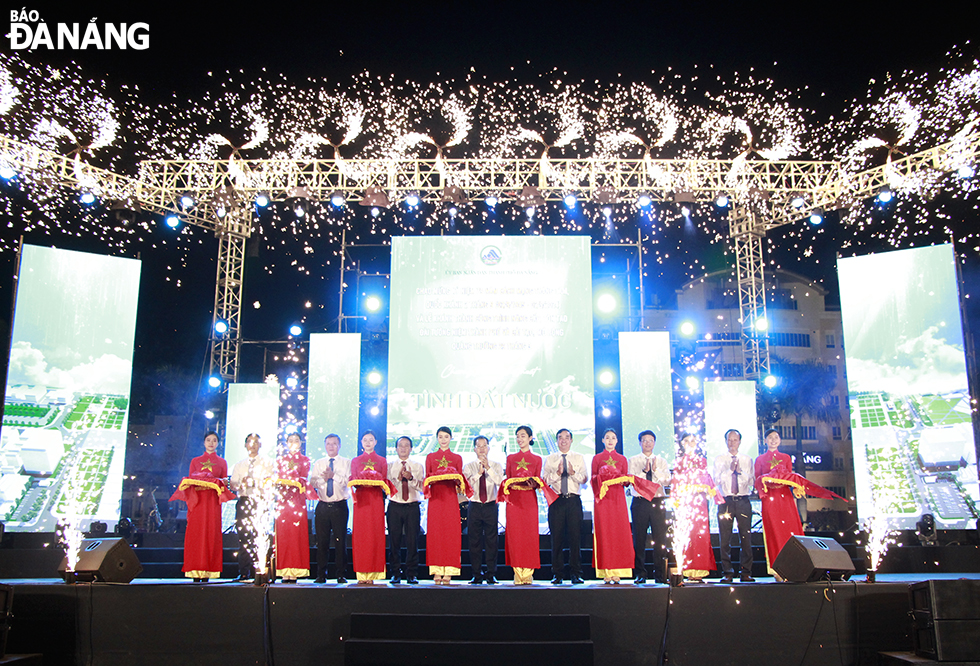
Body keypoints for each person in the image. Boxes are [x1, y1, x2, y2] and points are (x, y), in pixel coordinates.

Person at [754, 428, 843, 580]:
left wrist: (797, 487)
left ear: (780, 440)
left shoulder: (786, 457)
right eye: (770, 437)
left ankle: (795, 566)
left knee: (790, 530)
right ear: (765, 440)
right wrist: (765, 484)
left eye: (776, 437)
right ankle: (777, 569)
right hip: (770, 500)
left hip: (786, 499)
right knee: (773, 532)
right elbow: (756, 480)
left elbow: (790, 478)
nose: (773, 440)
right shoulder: (760, 460)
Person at [171, 431, 235, 582]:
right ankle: (194, 570)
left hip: (212, 502)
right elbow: (190, 481)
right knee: (196, 534)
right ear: (204, 442)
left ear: (218, 443)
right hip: (198, 502)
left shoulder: (222, 462)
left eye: (214, 440)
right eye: (208, 440)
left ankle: (208, 570)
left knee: (211, 534)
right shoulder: (195, 461)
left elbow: (225, 482)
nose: (211, 443)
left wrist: (221, 482)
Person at [424, 426, 470, 584]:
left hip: (451, 499)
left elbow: (460, 482)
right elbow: (427, 478)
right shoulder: (430, 457)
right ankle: (436, 570)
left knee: (451, 534)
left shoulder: (457, 458)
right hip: (435, 499)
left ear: (451, 438)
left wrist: (457, 481)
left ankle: (449, 570)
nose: (443, 439)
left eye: (446, 437)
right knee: (436, 533)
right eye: (440, 437)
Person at [499, 425, 544, 585]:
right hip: (514, 501)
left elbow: (538, 481)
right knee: (516, 535)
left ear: (530, 438)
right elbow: (508, 479)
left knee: (529, 536)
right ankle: (518, 574)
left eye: (523, 436)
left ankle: (528, 574)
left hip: (529, 500)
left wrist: (533, 483)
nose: (520, 439)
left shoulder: (537, 459)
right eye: (518, 436)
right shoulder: (511, 458)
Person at [672, 432, 719, 583]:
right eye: (686, 440)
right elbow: (675, 483)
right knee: (688, 535)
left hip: (700, 502)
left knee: (700, 534)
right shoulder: (678, 462)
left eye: (692, 440)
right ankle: (687, 569)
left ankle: (700, 568)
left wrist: (708, 489)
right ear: (681, 443)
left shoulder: (702, 461)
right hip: (686, 502)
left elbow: (707, 479)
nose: (690, 443)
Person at [542, 428, 587, 585]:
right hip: (556, 501)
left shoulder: (579, 457)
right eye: (560, 438)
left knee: (575, 538)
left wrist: (573, 473)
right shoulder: (550, 459)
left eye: (566, 437)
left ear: (571, 440)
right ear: (557, 440)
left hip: (574, 500)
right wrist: (558, 474)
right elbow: (545, 480)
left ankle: (576, 573)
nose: (563, 440)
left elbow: (584, 479)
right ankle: (557, 573)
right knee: (557, 538)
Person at [591, 429, 635, 584]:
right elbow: (593, 478)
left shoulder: (622, 459)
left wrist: (624, 480)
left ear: (617, 441)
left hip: (618, 499)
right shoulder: (597, 458)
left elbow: (625, 479)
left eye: (613, 438)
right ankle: (606, 571)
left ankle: (618, 571)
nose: (610, 440)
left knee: (618, 532)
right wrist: (603, 476)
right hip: (602, 499)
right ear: (602, 440)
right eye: (607, 438)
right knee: (604, 532)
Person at [628, 430, 670, 585]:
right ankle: (640, 573)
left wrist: (654, 470)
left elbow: (666, 481)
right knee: (639, 538)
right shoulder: (633, 460)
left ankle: (660, 574)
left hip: (657, 501)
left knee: (660, 538)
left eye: (650, 440)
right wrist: (644, 472)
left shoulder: (662, 461)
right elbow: (632, 479)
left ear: (654, 443)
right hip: (640, 502)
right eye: (644, 440)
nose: (647, 443)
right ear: (640, 443)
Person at [229, 433, 274, 581]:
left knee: (259, 536)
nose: (253, 445)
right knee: (244, 538)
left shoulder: (267, 463)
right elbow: (233, 484)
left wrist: (254, 482)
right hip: (243, 500)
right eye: (249, 442)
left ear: (260, 445)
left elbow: (270, 483)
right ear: (245, 445)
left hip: (259, 501)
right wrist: (241, 484)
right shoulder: (239, 464)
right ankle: (243, 572)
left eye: (256, 442)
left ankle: (260, 571)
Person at [348, 431, 392, 584]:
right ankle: (361, 573)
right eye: (365, 440)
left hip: (375, 501)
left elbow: (384, 480)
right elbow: (353, 479)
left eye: (371, 440)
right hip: (360, 501)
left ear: (375, 442)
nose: (368, 443)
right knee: (361, 536)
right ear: (361, 442)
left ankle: (373, 574)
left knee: (374, 534)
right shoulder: (355, 461)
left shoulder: (381, 460)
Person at [713, 428, 755, 583]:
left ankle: (746, 572)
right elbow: (716, 481)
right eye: (729, 440)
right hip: (726, 501)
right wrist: (729, 471)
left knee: (746, 537)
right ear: (725, 441)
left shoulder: (747, 459)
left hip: (743, 500)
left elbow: (751, 481)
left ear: (740, 442)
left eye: (735, 440)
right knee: (725, 538)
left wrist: (740, 472)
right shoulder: (719, 459)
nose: (732, 443)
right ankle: (727, 572)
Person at [309, 434, 350, 584]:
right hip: (323, 505)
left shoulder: (346, 462)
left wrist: (334, 476)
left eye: (334, 444)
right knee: (322, 541)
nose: (331, 446)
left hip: (339, 505)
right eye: (328, 444)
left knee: (340, 541)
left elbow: (348, 482)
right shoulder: (319, 463)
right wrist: (323, 479)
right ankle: (321, 574)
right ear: (325, 446)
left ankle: (341, 574)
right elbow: (313, 481)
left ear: (339, 446)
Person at [462, 435, 503, 585]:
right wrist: (479, 473)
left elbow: (500, 482)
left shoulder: (496, 465)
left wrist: (488, 469)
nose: (481, 449)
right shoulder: (469, 466)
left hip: (491, 505)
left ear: (489, 448)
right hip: (474, 506)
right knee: (474, 541)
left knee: (492, 541)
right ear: (474, 449)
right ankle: (476, 574)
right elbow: (466, 486)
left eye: (484, 446)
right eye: (478, 446)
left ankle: (491, 574)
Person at [274, 432, 313, 583]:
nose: (294, 443)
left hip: (297, 500)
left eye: (296, 440)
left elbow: (303, 478)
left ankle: (296, 570)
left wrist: (295, 481)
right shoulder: (280, 460)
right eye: (290, 440)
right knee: (283, 533)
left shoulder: (305, 460)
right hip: (283, 501)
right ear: (286, 443)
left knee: (296, 533)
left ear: (301, 443)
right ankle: (284, 570)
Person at [386, 436, 425, 584]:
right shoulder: (389, 466)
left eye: (406, 446)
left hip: (412, 506)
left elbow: (422, 488)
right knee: (394, 541)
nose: (403, 448)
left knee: (412, 541)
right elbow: (387, 487)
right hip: (395, 506)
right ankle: (395, 573)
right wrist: (397, 478)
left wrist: (411, 478)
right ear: (396, 449)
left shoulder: (417, 466)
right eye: (400, 446)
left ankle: (412, 573)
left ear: (411, 448)